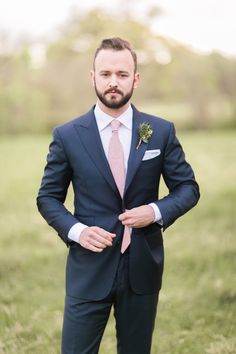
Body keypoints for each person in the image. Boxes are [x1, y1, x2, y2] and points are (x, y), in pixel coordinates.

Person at [37, 37, 200, 354]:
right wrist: (78, 231)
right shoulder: (67, 135)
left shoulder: (160, 131)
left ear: (135, 79)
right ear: (92, 76)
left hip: (142, 268)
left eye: (122, 74)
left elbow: (188, 188)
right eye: (106, 73)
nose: (114, 82)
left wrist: (153, 211)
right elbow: (47, 198)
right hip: (89, 268)